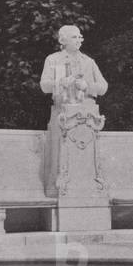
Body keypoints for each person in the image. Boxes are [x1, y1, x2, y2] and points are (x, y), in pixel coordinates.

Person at [40, 25, 108, 192]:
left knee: (85, 160)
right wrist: (60, 83)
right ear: (63, 40)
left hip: (88, 116)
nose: (79, 40)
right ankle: (60, 189)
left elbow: (103, 86)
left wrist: (87, 86)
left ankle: (89, 188)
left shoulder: (88, 61)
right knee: (62, 159)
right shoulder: (53, 59)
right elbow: (44, 86)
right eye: (74, 37)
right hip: (63, 113)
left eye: (80, 37)